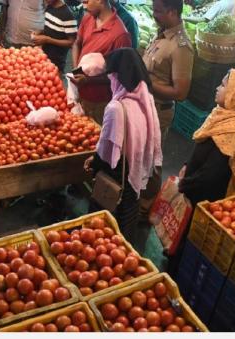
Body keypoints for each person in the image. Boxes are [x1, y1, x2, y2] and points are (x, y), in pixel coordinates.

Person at [168, 69, 235, 276]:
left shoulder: (234, 133)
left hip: (204, 200)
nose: (218, 88)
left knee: (189, 241)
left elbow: (210, 177)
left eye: (224, 85)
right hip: (196, 187)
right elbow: (202, 148)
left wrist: (184, 185)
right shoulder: (224, 116)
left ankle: (175, 278)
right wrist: (187, 164)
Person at [84, 48, 162, 235]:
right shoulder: (146, 99)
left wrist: (92, 163)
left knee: (103, 228)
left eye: (111, 76)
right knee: (126, 224)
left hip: (116, 176)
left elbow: (106, 153)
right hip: (135, 174)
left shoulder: (116, 108)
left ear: (118, 75)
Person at [139, 0, 194, 217]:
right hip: (143, 105)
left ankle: (146, 208)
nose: (154, 14)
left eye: (158, 11)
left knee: (152, 160)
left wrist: (146, 83)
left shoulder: (181, 47)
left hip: (158, 111)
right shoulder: (160, 33)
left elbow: (181, 92)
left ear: (172, 12)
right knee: (139, 156)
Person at [71, 0, 132, 125]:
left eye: (87, 0)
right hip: (79, 95)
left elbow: (120, 76)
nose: (83, 2)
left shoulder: (120, 35)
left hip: (100, 103)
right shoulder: (88, 18)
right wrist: (76, 70)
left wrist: (89, 80)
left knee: (96, 140)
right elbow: (77, 43)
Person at [31, 0, 77, 73]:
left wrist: (48, 40)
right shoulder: (49, 7)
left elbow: (71, 42)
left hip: (57, 62)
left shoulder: (68, 15)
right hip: (44, 57)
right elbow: (51, 27)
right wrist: (39, 32)